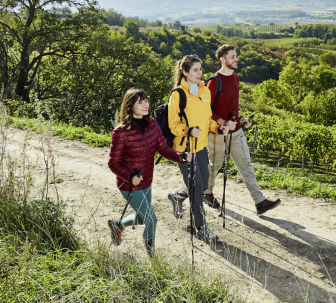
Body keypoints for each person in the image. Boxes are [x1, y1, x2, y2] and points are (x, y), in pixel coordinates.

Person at [107, 89, 186, 256]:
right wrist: (129, 176)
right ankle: (153, 258)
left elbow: (163, 148)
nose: (145, 105)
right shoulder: (120, 132)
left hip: (146, 181)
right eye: (140, 102)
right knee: (151, 219)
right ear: (130, 106)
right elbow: (113, 163)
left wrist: (182, 157)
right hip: (129, 184)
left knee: (142, 217)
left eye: (146, 101)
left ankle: (117, 225)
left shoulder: (152, 125)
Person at [204, 44, 281, 215]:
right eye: (232, 57)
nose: (236, 59)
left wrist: (241, 118)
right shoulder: (213, 82)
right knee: (214, 165)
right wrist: (223, 123)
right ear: (222, 60)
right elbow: (206, 110)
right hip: (217, 132)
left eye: (236, 56)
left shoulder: (236, 78)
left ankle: (260, 202)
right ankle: (207, 193)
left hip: (236, 131)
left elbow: (233, 107)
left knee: (246, 165)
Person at [166, 54, 227, 244]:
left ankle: (176, 196)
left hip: (200, 146)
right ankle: (201, 228)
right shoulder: (178, 94)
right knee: (197, 186)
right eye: (195, 70)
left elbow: (207, 119)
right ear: (185, 72)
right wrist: (187, 130)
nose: (200, 73)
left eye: (200, 69)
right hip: (185, 148)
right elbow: (172, 124)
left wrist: (217, 127)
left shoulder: (205, 91)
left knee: (201, 183)